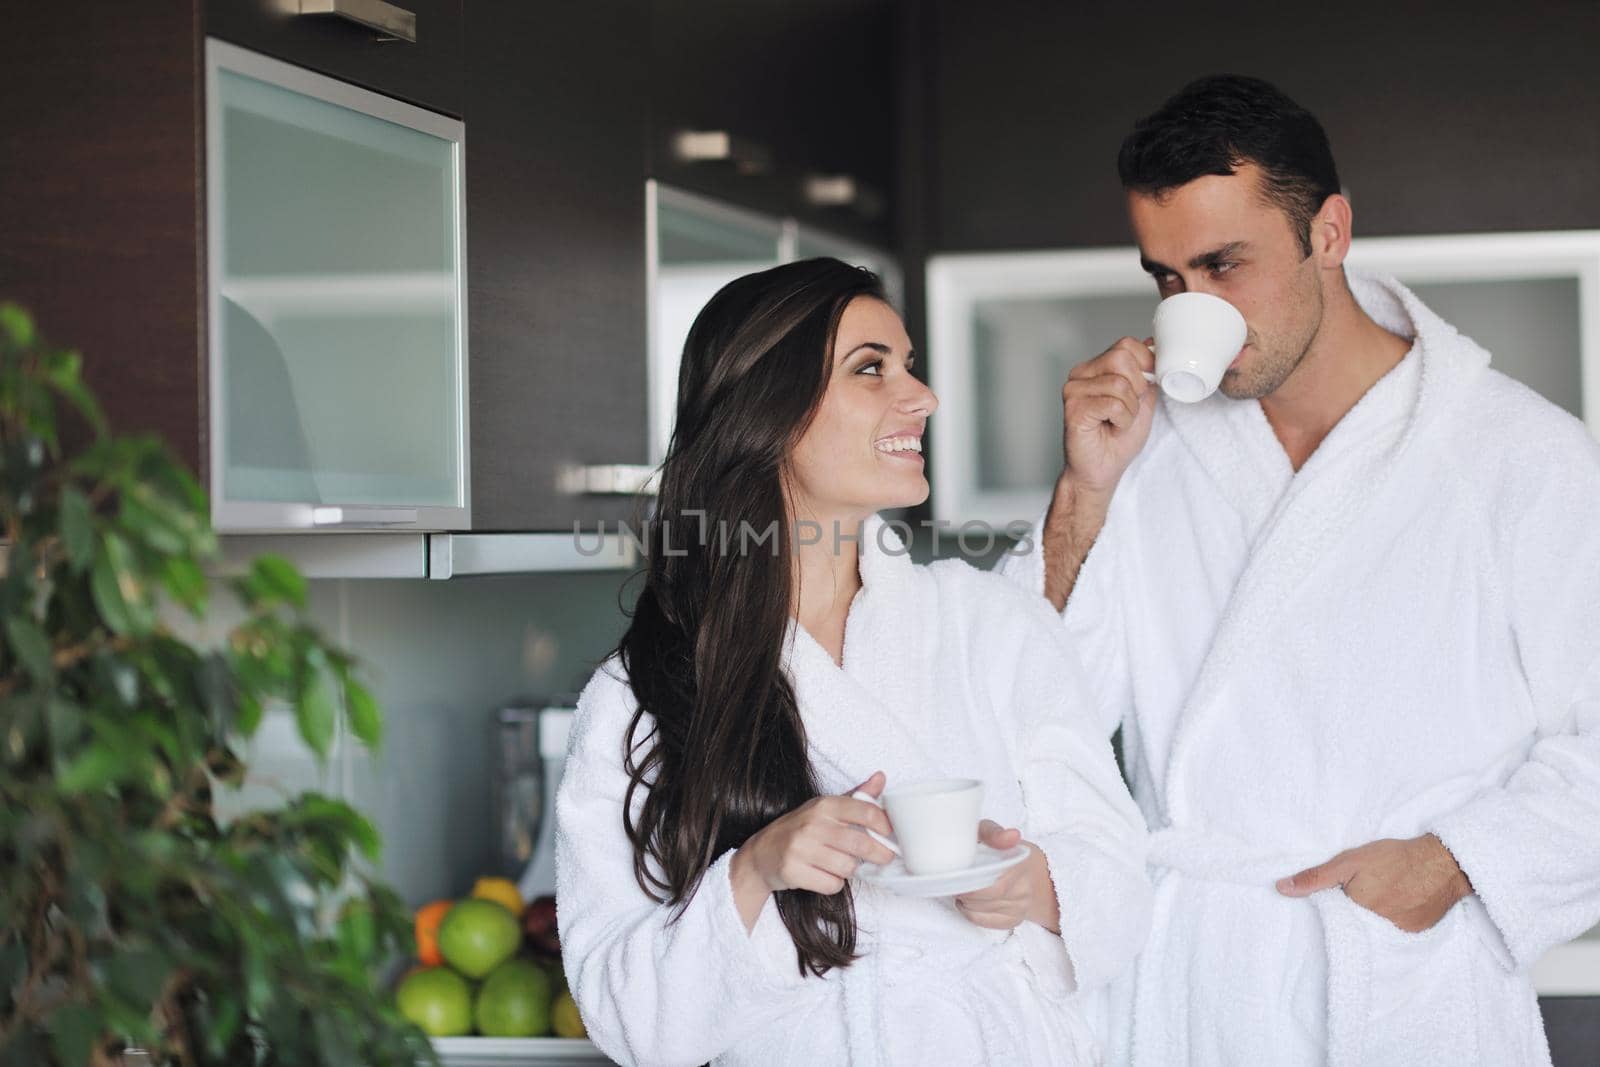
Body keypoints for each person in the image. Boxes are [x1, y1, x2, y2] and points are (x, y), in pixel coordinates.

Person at [997, 74, 1600, 1066]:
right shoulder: (1142, 450)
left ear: (1328, 232)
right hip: (1188, 981)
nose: (1195, 308)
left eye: (1223, 265)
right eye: (1166, 278)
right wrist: (1082, 491)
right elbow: (1030, 702)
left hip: (1393, 983)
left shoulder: (1520, 456)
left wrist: (1450, 865)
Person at [555, 258, 1150, 1066]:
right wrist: (757, 870)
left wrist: (1033, 885)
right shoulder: (641, 694)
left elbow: (1116, 880)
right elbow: (632, 1024)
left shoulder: (989, 623)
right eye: (872, 368)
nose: (924, 396)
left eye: (910, 365)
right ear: (767, 410)